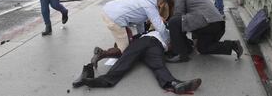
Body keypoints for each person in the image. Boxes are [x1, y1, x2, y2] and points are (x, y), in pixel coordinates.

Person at [72, 31, 202, 94]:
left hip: (157, 46)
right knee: (126, 59)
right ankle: (104, 81)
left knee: (158, 65)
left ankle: (174, 84)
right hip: (144, 41)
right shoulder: (149, 30)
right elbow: (126, 42)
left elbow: (187, 45)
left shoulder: (171, 31)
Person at [165, 0, 243, 63]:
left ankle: (180, 54)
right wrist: (193, 39)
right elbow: (193, 17)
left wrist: (173, 41)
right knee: (203, 48)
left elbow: (178, 17)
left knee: (173, 21)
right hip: (217, 24)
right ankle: (233, 45)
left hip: (207, 22)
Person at [90, 0, 169, 68]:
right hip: (115, 19)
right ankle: (101, 53)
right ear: (160, 0)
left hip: (107, 10)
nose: (160, 5)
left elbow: (139, 22)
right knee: (126, 51)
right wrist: (167, 41)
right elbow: (160, 27)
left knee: (127, 37)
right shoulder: (149, 5)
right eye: (161, 3)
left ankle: (115, 47)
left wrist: (143, 37)